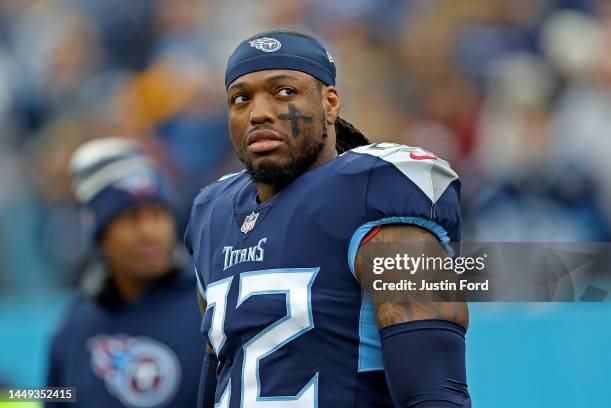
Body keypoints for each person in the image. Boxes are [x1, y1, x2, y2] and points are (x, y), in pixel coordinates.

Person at [185, 29, 471, 407]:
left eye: (284, 92)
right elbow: (216, 377)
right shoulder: (213, 213)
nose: (258, 113)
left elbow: (434, 393)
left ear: (330, 104)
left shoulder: (372, 191)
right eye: (241, 98)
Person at [46, 138, 202, 408]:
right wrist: (12, 394)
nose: (149, 232)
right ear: (100, 235)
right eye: (130, 218)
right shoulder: (75, 326)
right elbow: (57, 397)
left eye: (158, 214)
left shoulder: (210, 304)